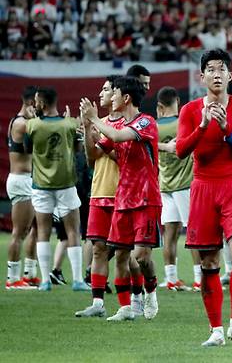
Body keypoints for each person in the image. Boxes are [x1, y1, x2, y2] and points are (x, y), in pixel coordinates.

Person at [175, 49, 232, 347]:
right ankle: (216, 330)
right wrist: (203, 126)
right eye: (211, 69)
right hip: (203, 188)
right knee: (209, 261)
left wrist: (225, 127)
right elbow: (182, 150)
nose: (217, 74)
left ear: (230, 75)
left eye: (222, 69)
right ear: (202, 76)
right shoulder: (190, 110)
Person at [79, 76, 161, 321]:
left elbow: (118, 138)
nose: (110, 97)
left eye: (114, 93)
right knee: (122, 255)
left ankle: (151, 290)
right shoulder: (114, 127)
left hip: (146, 198)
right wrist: (86, 127)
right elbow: (93, 154)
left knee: (141, 257)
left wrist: (94, 118)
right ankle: (126, 307)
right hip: (124, 199)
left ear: (125, 98)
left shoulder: (146, 121)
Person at [27, 87, 87, 292]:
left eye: (36, 101)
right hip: (66, 184)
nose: (34, 104)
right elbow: (79, 149)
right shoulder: (70, 124)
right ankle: (78, 280)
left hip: (41, 185)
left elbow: (28, 149)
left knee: (43, 231)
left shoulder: (32, 125)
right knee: (73, 231)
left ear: (42, 104)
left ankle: (45, 281)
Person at [75, 75, 123, 317]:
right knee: (98, 249)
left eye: (106, 90)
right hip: (99, 192)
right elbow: (91, 158)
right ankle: (97, 304)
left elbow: (123, 158)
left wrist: (100, 136)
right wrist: (86, 126)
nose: (101, 94)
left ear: (118, 94)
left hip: (124, 195)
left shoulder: (127, 125)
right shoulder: (99, 123)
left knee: (130, 254)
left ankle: (137, 299)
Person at [156, 86, 201, 291]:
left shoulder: (154, 127)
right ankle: (200, 279)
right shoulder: (183, 124)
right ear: (178, 103)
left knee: (170, 234)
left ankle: (171, 278)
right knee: (193, 233)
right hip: (185, 185)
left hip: (164, 185)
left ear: (159, 107)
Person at [5, 85, 39, 290]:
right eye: (37, 104)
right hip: (21, 180)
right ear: (30, 103)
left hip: (30, 181)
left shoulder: (27, 122)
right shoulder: (20, 123)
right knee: (19, 231)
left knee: (35, 229)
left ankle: (30, 274)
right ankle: (12, 278)